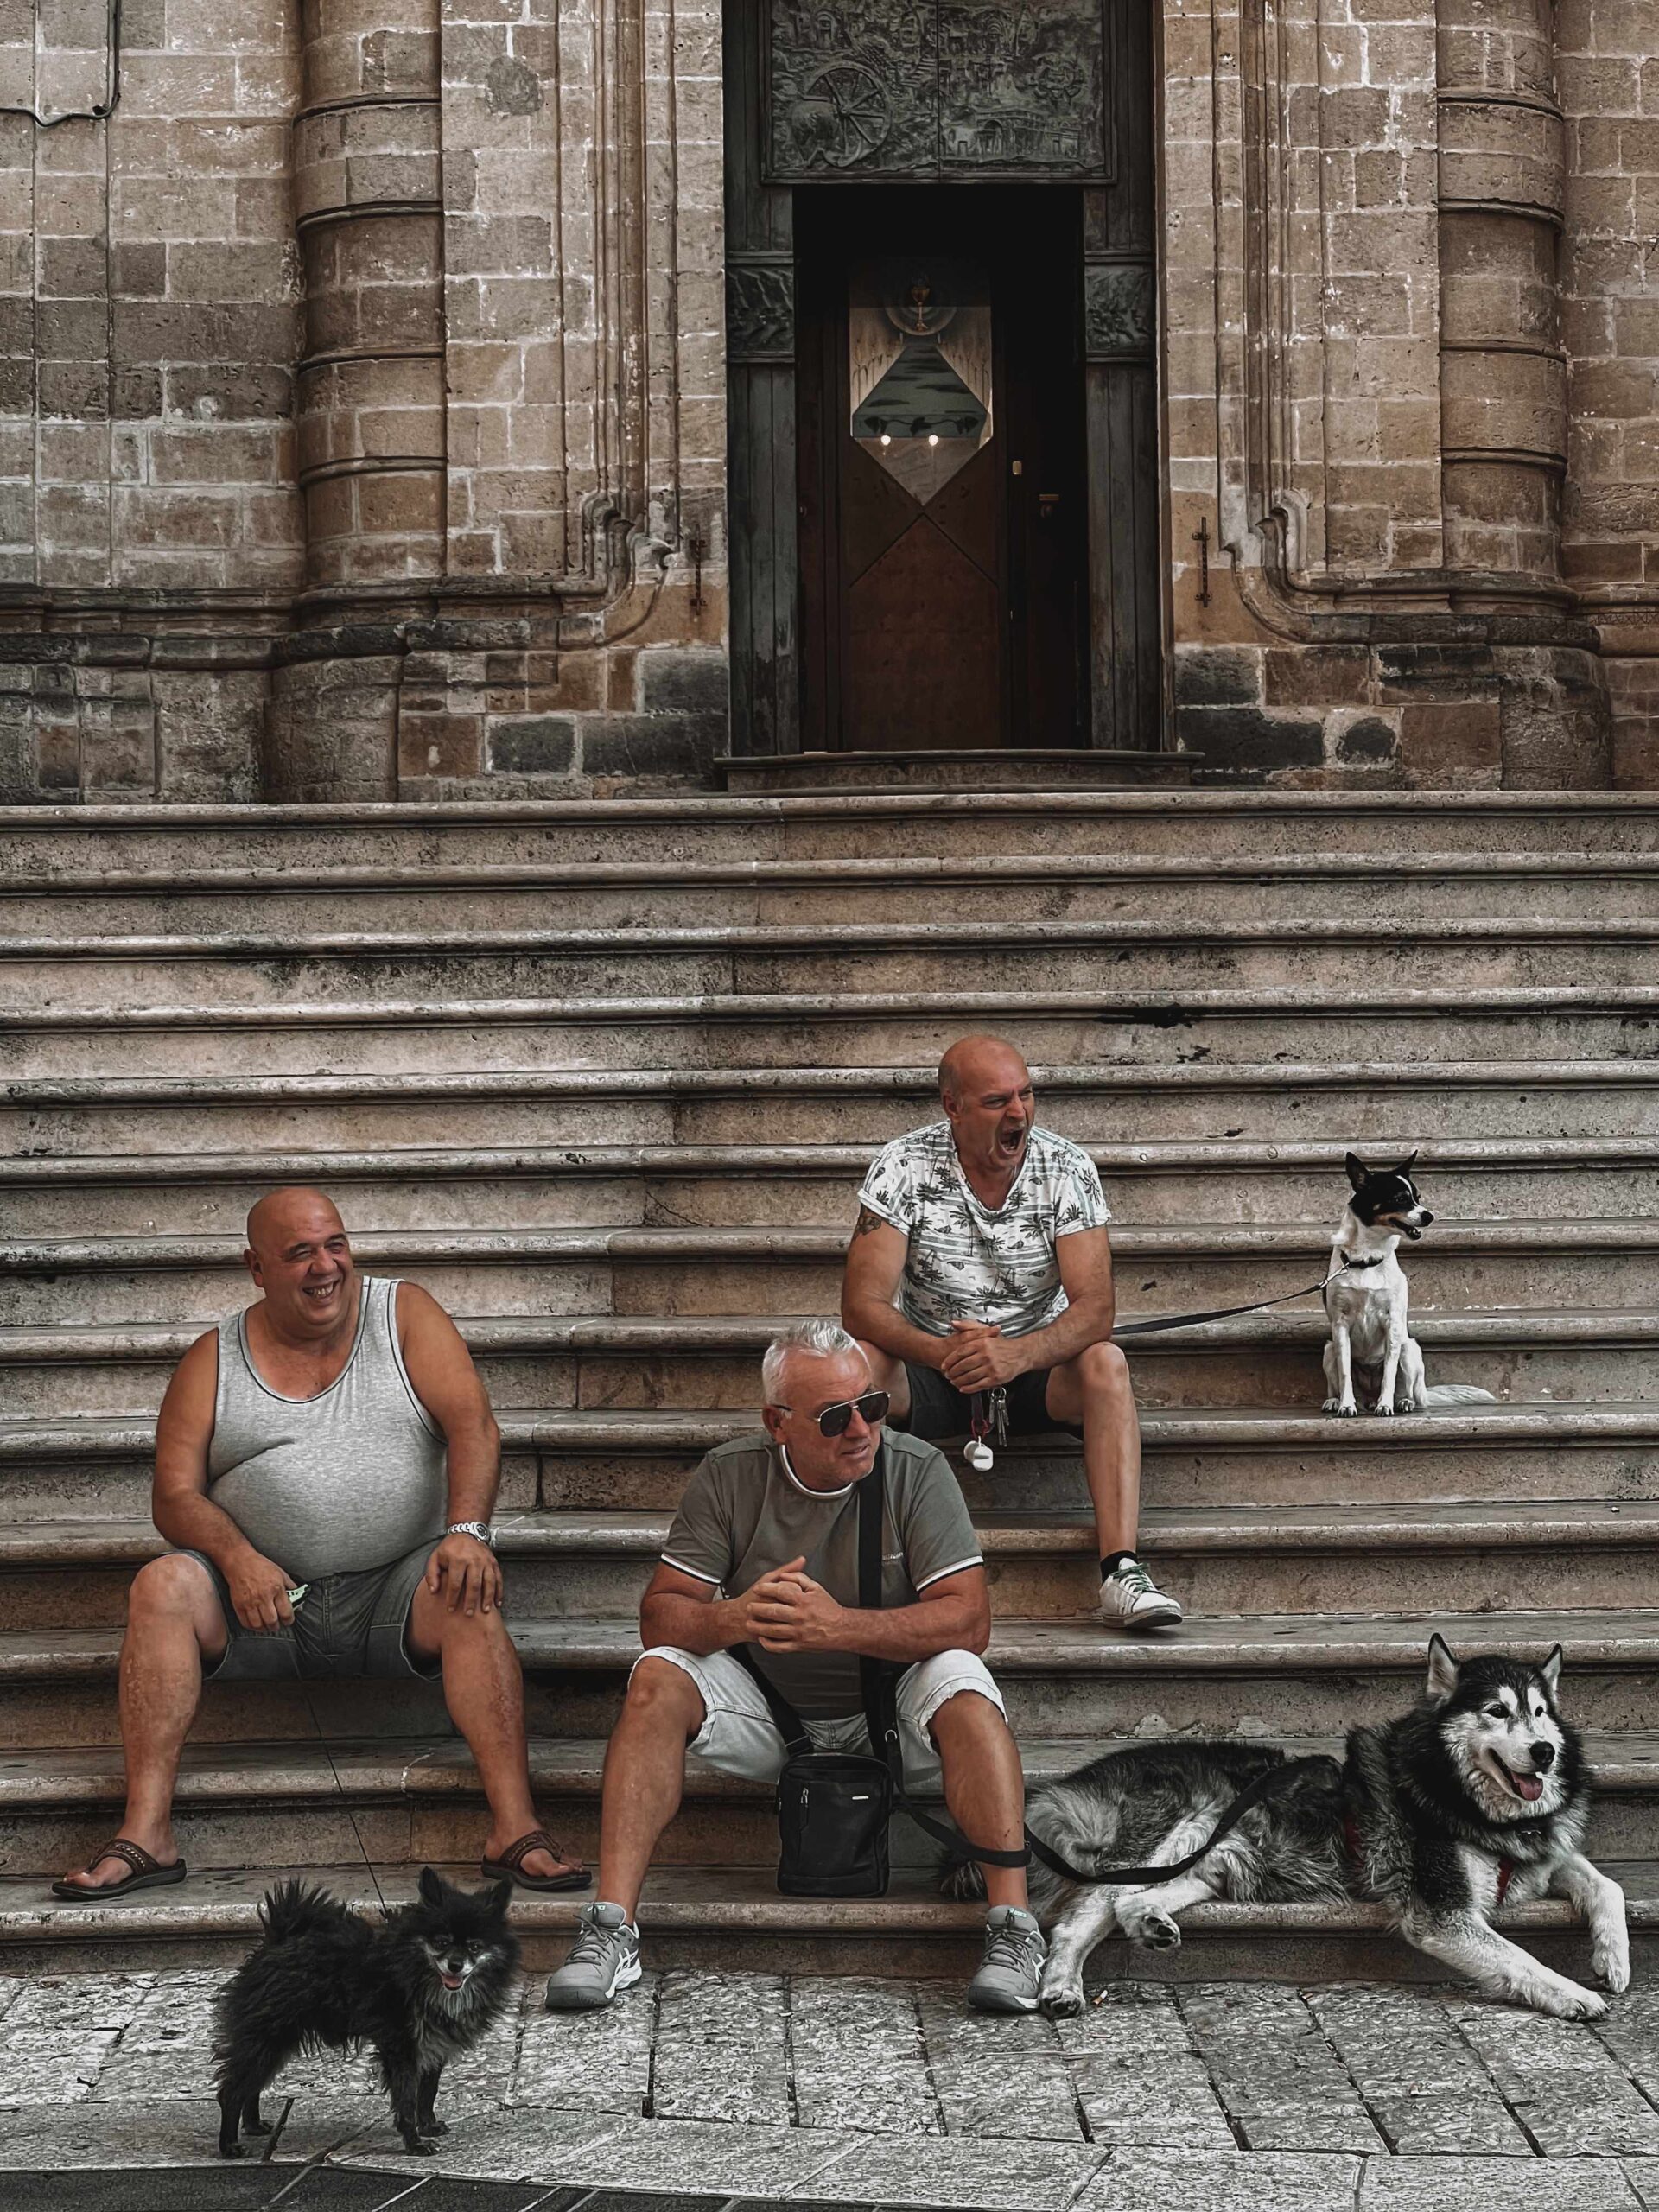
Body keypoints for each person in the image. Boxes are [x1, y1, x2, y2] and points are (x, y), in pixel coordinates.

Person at [53, 1186, 585, 1900]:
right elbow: (172, 1496)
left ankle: (515, 1828)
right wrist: (238, 1559)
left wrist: (467, 1532)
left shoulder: (403, 1314)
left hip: (398, 1593)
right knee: (162, 1585)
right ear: (256, 1268)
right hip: (261, 1605)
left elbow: (473, 1425)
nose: (325, 1266)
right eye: (299, 1253)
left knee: (467, 1587)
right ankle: (147, 1833)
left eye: (335, 1245)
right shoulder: (212, 1358)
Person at [543, 1319, 1047, 2015]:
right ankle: (612, 1927)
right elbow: (660, 1615)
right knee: (658, 1675)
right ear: (777, 1423)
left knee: (963, 1680)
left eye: (872, 1405)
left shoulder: (916, 1469)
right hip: (773, 1718)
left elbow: (970, 1621)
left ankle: (1015, 1927)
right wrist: (738, 1617)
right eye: (835, 1417)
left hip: (894, 1714)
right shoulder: (731, 1474)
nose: (861, 1430)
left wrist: (838, 1627)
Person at [842, 1034, 1182, 1630]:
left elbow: (1095, 1309)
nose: (1019, 1113)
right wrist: (944, 1352)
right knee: (856, 1366)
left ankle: (1121, 1571)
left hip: (1034, 1370)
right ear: (953, 1107)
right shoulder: (903, 1165)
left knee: (1106, 1362)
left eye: (1026, 1095)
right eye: (998, 1101)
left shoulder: (1066, 1167)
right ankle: (850, 1566)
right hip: (932, 1365)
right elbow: (861, 1306)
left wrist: (1017, 1355)